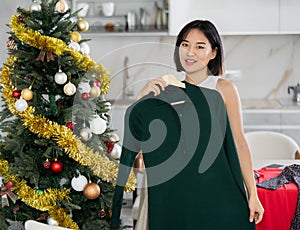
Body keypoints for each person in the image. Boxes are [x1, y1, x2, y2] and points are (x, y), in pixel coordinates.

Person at [111, 19, 264, 229]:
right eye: (185, 44)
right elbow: (143, 148)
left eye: (199, 46)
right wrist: (141, 98)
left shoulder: (223, 89)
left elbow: (239, 143)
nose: (190, 52)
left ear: (213, 52)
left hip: (218, 192)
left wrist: (252, 194)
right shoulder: (164, 91)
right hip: (175, 197)